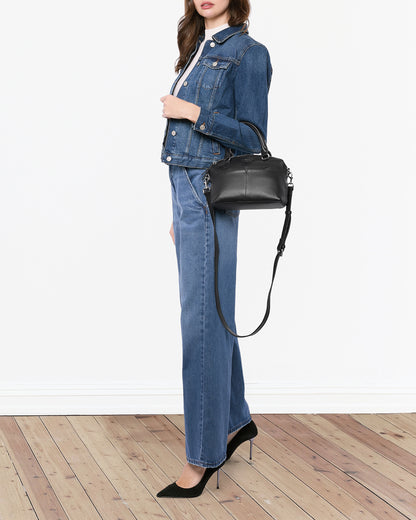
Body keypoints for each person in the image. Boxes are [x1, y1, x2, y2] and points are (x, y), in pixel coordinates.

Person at [157, 0, 272, 498]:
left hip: (208, 193)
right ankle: (234, 419)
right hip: (188, 195)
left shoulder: (249, 53)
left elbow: (252, 139)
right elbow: (182, 155)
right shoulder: (195, 48)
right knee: (213, 312)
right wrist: (177, 212)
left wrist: (193, 111)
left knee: (200, 322)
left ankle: (201, 457)